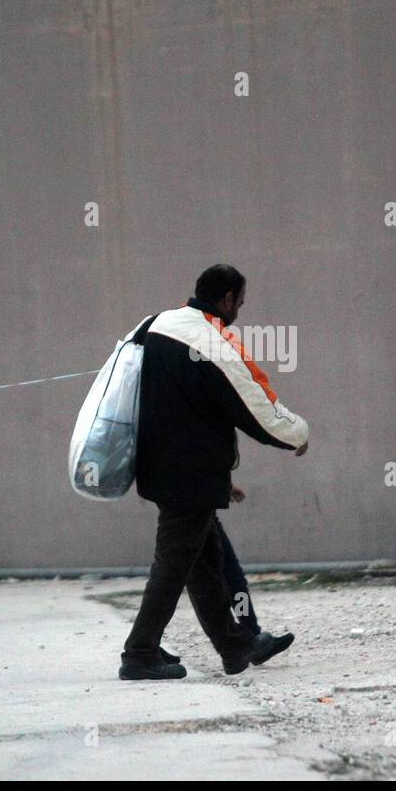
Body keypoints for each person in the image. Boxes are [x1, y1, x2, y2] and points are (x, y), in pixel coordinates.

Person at [119, 264, 309, 680]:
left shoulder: (157, 324)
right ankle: (139, 652)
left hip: (164, 468)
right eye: (239, 302)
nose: (239, 310)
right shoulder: (213, 341)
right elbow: (255, 407)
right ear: (225, 300)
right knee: (172, 565)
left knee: (205, 563)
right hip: (190, 476)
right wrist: (297, 434)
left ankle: (235, 646)